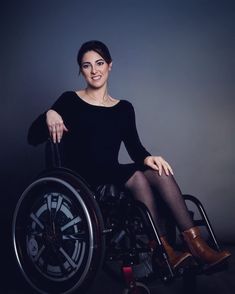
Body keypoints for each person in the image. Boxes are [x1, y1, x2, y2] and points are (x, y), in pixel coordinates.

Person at [28, 40, 231, 271]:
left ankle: (196, 246)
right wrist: (50, 113)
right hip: (82, 179)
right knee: (135, 176)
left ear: (110, 66)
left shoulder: (124, 108)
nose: (94, 70)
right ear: (81, 70)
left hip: (112, 171)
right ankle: (162, 251)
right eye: (87, 65)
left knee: (157, 171)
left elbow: (135, 149)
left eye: (100, 63)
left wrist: (150, 158)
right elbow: (32, 137)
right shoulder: (70, 100)